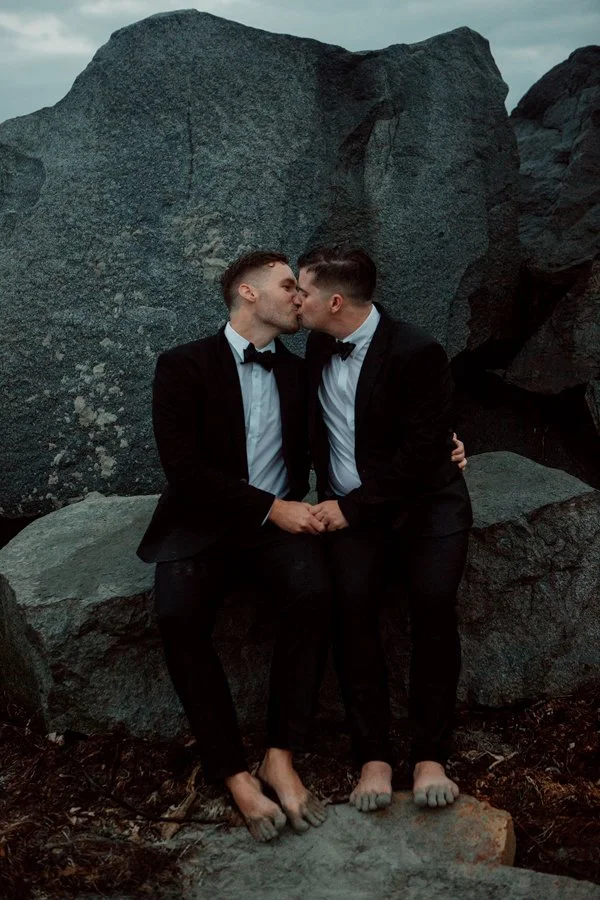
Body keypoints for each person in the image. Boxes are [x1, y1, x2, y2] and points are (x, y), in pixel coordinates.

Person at [137, 250, 331, 842]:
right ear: (248, 293)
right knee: (177, 615)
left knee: (315, 594)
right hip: (203, 523)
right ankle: (230, 772)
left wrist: (446, 448)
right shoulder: (182, 365)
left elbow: (363, 424)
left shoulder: (303, 372)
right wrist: (271, 506)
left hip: (276, 531)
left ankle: (281, 754)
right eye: (289, 286)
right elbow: (185, 471)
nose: (301, 297)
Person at [296, 245, 473, 811]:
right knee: (352, 611)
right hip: (351, 509)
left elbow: (426, 447)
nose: (296, 300)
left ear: (336, 300)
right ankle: (371, 756)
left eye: (303, 292)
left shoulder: (418, 349)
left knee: (433, 607)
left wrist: (355, 507)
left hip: (425, 508)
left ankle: (430, 757)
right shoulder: (316, 341)